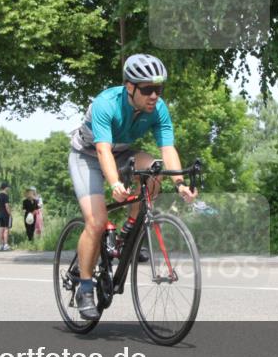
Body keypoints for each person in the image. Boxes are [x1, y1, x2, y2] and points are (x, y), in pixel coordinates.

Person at [68, 54, 197, 319]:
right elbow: (102, 151)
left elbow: (167, 148)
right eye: (147, 89)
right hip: (88, 155)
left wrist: (180, 183)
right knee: (97, 221)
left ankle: (128, 233)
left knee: (154, 172)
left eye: (158, 89)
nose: (154, 96)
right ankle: (85, 288)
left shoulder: (158, 108)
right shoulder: (106, 103)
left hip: (122, 153)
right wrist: (115, 183)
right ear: (130, 87)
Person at [0, 182, 12, 251]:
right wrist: (10, 214)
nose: (8, 188)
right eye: (8, 187)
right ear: (5, 188)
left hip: (0, 214)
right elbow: (7, 206)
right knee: (6, 229)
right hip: (5, 214)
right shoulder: (5, 196)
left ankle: (1, 245)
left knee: (1, 229)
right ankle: (6, 245)